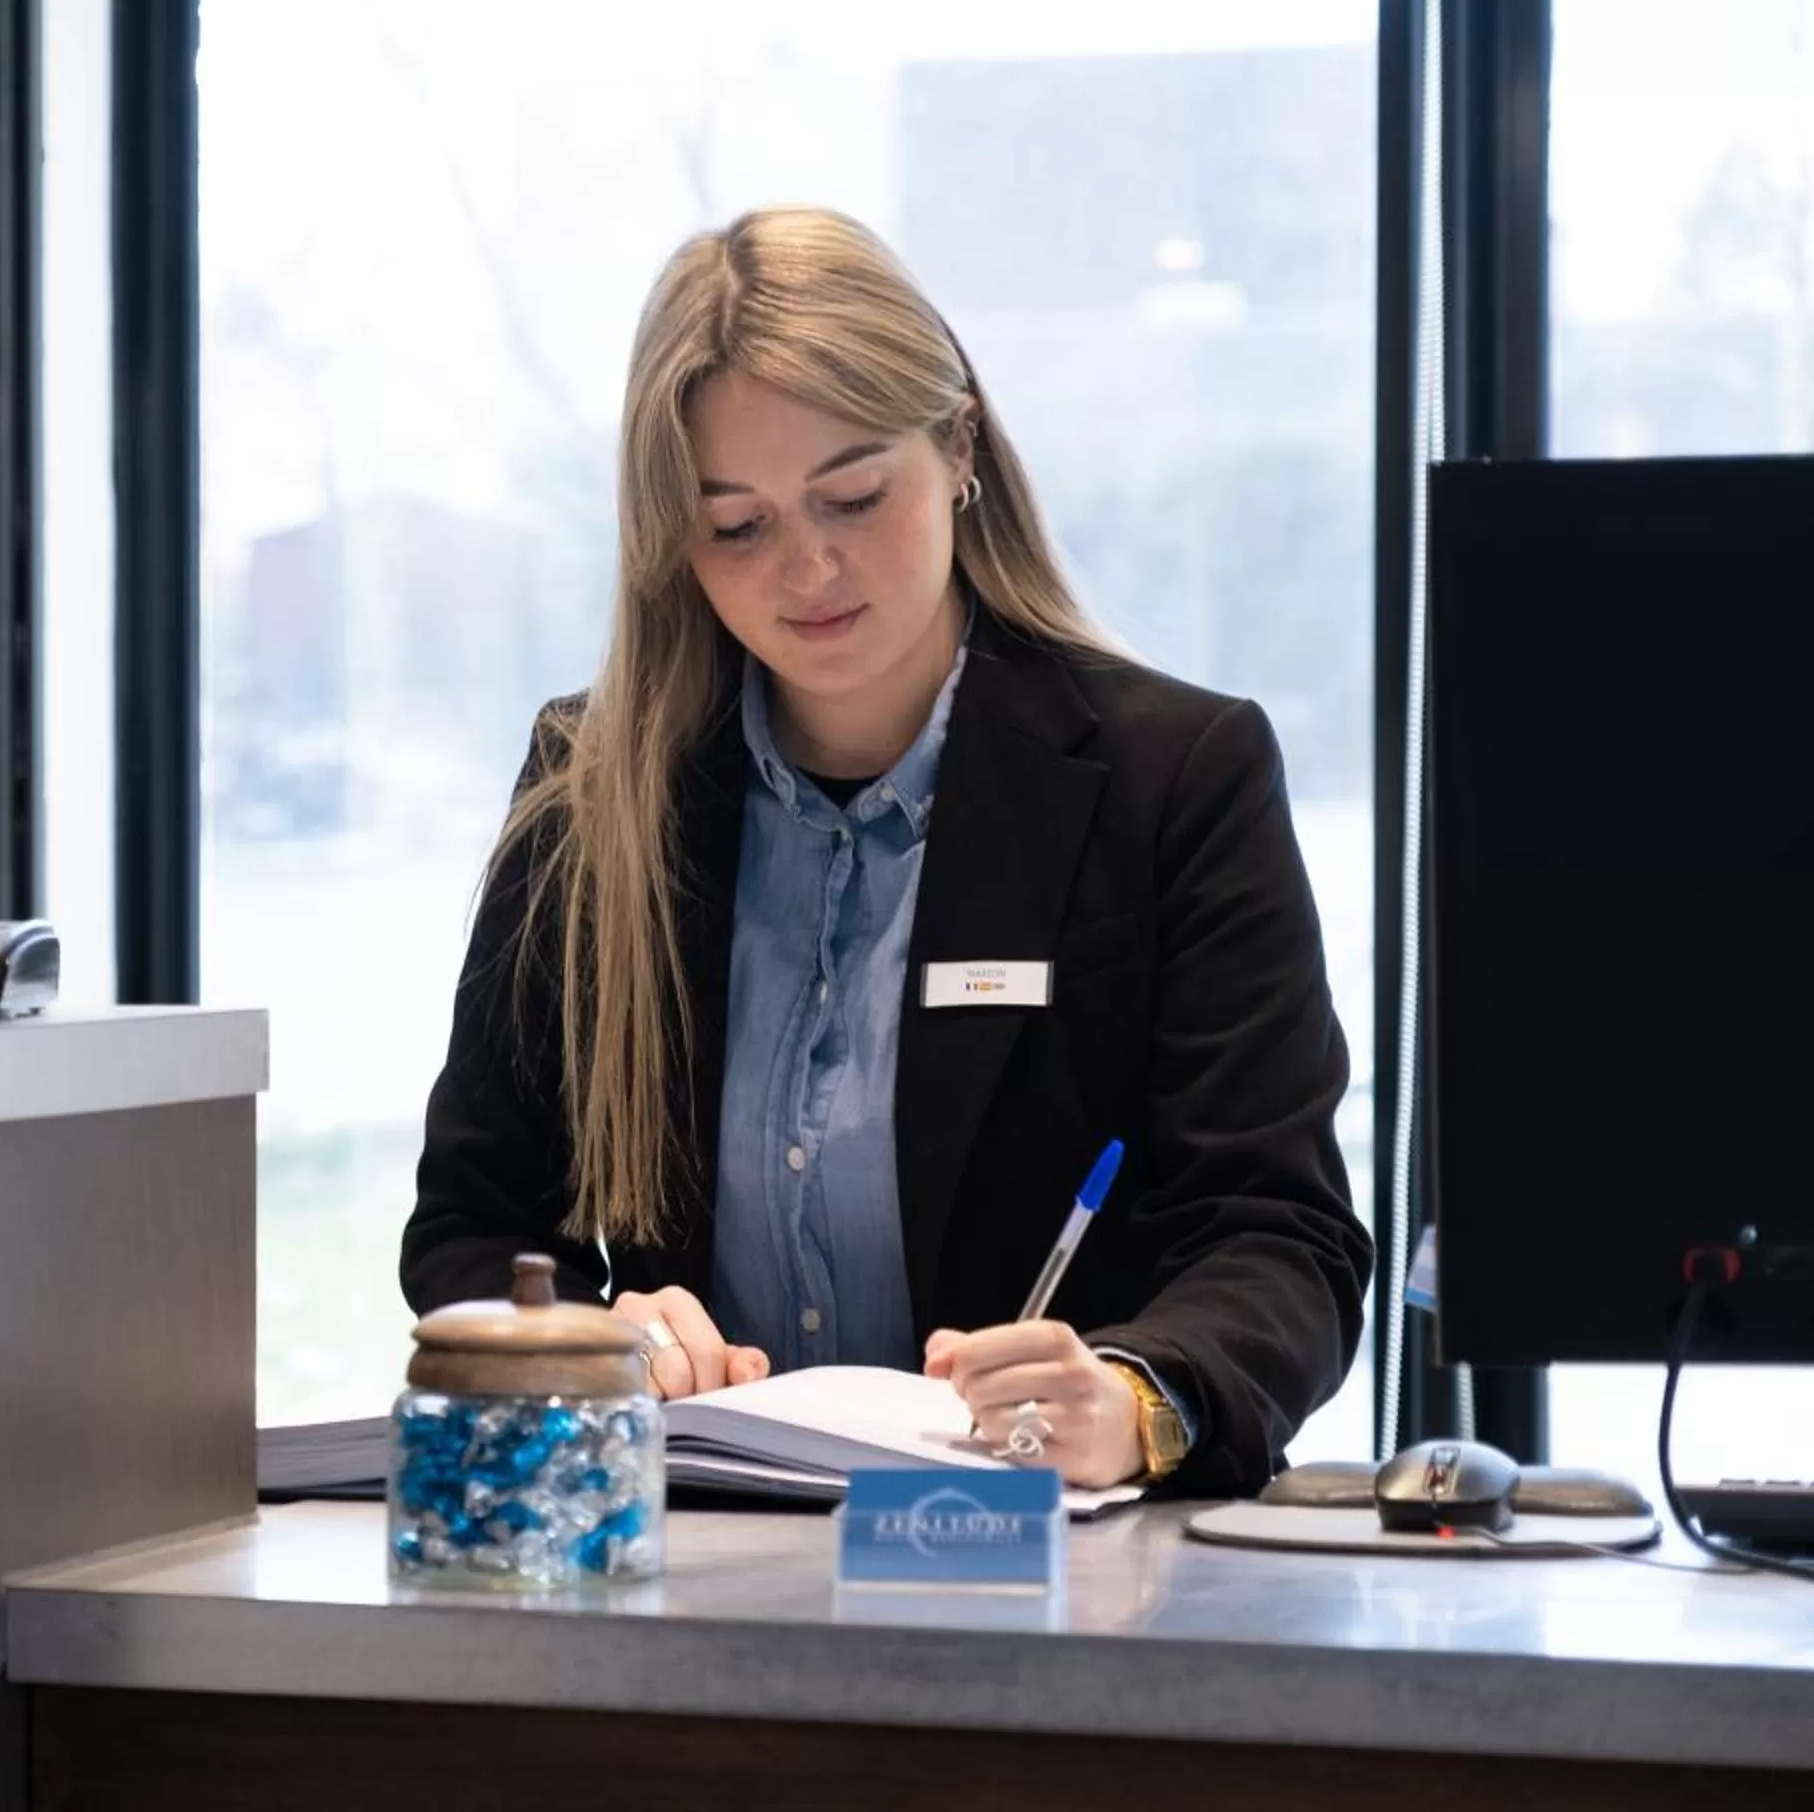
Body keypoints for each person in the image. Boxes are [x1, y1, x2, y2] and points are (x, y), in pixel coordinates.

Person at [403, 208, 1371, 1496]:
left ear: (959, 444)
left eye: (855, 495)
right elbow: (475, 1227)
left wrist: (1141, 1395)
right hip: (692, 1548)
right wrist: (586, 1341)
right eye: (735, 525)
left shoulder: (1175, 781)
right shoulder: (594, 796)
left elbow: (1279, 1233)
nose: (808, 566)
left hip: (1045, 1559)